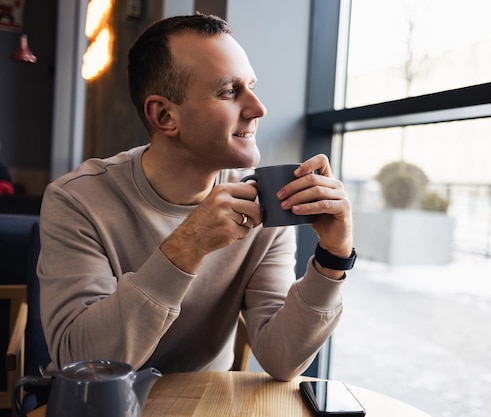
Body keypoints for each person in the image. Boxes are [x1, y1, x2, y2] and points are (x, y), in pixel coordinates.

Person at [37, 13, 356, 381]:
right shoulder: (76, 200)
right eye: (229, 91)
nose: (258, 108)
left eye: (251, 86)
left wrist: (333, 257)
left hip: (204, 405)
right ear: (164, 115)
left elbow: (282, 359)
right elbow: (83, 363)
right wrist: (187, 246)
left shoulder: (264, 202)